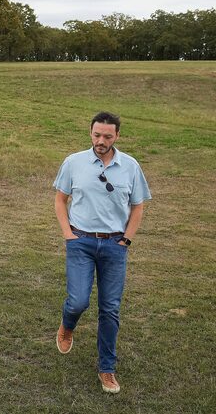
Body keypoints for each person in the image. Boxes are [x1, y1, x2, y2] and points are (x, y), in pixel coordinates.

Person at [53, 111, 151, 393]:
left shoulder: (130, 166)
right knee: (78, 301)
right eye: (97, 135)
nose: (101, 140)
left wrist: (126, 241)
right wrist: (68, 235)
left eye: (107, 136)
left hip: (114, 245)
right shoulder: (74, 162)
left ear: (117, 136)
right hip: (80, 241)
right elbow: (60, 199)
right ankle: (67, 324)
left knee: (110, 309)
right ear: (91, 133)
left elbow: (138, 206)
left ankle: (107, 368)